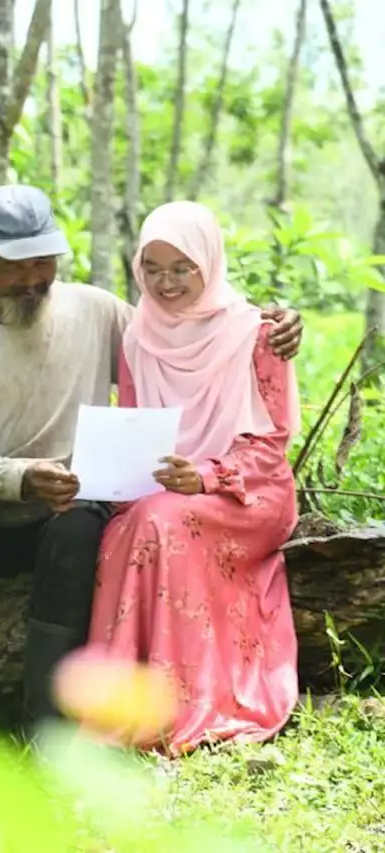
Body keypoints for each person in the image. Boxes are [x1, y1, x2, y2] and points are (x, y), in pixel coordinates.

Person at [0, 184, 303, 728]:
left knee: (79, 529)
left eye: (45, 262)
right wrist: (22, 477)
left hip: (69, 512)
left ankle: (46, 727)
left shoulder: (97, 312)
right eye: (16, 266)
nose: (33, 278)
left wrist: (276, 325)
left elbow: (185, 332)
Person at [82, 201, 300, 755]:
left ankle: (186, 704)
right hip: (165, 492)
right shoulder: (137, 339)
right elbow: (138, 429)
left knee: (162, 522)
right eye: (152, 268)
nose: (166, 281)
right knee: (125, 529)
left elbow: (270, 448)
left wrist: (203, 476)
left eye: (181, 267)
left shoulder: (256, 333)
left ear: (209, 262)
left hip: (248, 492)